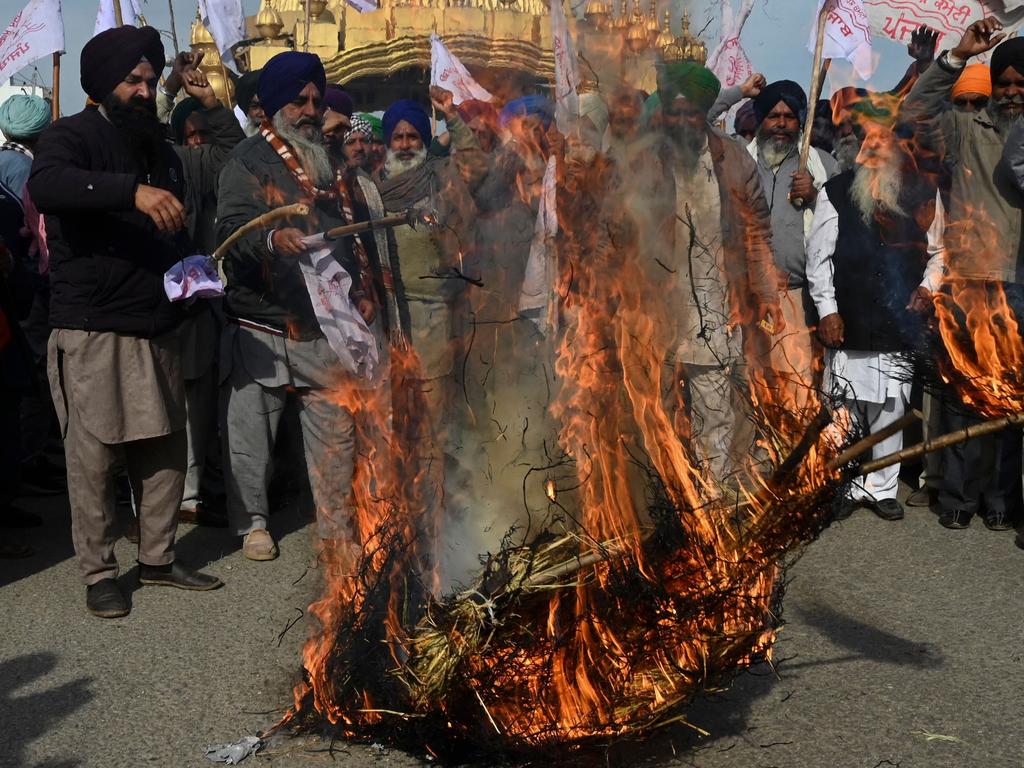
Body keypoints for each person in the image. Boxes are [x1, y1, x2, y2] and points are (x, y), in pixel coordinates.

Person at [28, 25, 223, 617]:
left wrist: (195, 275)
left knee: (164, 450)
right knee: (92, 459)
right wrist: (129, 192)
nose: (143, 90)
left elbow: (179, 222)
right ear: (102, 83)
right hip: (92, 327)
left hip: (156, 324)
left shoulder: (160, 150)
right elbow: (48, 184)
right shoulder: (70, 136)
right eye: (132, 80)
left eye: (148, 79)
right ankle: (99, 573)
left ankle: (159, 558)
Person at [216, 51, 401, 560]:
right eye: (299, 100)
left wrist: (363, 290)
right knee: (253, 436)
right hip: (263, 321)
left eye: (316, 100)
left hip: (325, 323)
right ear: (275, 107)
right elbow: (232, 231)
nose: (310, 109)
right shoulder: (245, 162)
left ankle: (336, 528)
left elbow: (351, 236)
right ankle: (252, 523)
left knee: (335, 433)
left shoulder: (331, 160)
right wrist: (274, 240)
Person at [622, 62, 779, 485]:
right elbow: (617, 232)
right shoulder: (643, 162)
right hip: (659, 309)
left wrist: (765, 290)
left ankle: (716, 498)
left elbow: (757, 231)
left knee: (716, 408)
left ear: (704, 111)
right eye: (674, 112)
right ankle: (673, 496)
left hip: (716, 305)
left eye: (691, 111)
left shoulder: (734, 159)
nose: (682, 120)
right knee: (663, 408)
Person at [902, 19, 1024, 532]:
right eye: (1005, 84)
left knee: (1013, 401)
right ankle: (956, 496)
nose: (1013, 93)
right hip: (972, 280)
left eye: (1022, 84)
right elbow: (913, 111)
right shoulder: (967, 128)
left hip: (1020, 287)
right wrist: (955, 58)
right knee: (964, 396)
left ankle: (1000, 500)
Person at [808, 99, 937, 521]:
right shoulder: (836, 191)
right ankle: (844, 483)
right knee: (843, 407)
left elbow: (941, 250)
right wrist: (827, 310)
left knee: (891, 407)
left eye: (886, 140)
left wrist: (926, 287)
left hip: (897, 320)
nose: (878, 148)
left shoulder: (920, 192)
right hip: (848, 318)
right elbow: (819, 259)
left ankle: (881, 486)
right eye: (870, 140)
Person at [377, 91, 486, 472]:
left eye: (413, 137)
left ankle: (433, 489)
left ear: (424, 141)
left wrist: (453, 118)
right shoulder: (371, 188)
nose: (405, 145)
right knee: (391, 406)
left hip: (432, 310)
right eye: (398, 137)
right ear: (387, 141)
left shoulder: (440, 177)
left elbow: (475, 167)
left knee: (431, 406)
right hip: (385, 312)